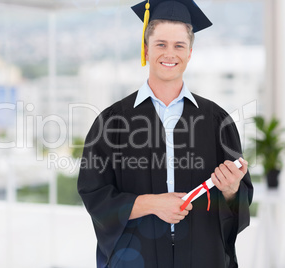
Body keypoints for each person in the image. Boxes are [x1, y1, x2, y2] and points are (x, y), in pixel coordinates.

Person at [77, 0, 253, 267]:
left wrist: (231, 190)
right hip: (136, 256)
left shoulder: (217, 120)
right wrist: (152, 204)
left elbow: (238, 199)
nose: (169, 54)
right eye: (161, 44)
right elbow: (94, 194)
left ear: (190, 53)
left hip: (202, 256)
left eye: (179, 45)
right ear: (146, 49)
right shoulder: (113, 121)